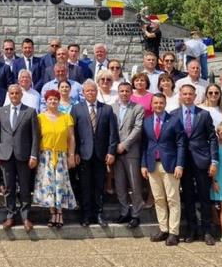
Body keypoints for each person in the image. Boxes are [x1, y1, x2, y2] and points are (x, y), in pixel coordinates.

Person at [173, 84, 217, 245]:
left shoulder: (204, 114)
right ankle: (192, 229)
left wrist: (214, 161)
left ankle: (207, 231)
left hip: (202, 160)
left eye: (190, 94)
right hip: (183, 162)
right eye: (184, 94)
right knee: (188, 196)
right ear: (180, 95)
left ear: (195, 96)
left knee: (204, 196)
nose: (187, 96)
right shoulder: (174, 115)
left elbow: (212, 138)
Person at [71, 80, 119, 227]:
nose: (90, 93)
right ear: (83, 93)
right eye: (87, 91)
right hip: (83, 154)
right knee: (85, 186)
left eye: (93, 90)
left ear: (97, 92)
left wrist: (111, 152)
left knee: (99, 185)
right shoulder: (76, 109)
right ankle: (86, 215)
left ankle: (98, 214)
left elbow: (113, 133)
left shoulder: (107, 109)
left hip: (101, 154)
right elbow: (73, 134)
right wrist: (75, 152)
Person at [0, 84, 40, 231]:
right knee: (8, 188)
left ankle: (25, 217)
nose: (14, 96)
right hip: (6, 155)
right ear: (8, 95)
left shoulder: (30, 112)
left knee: (25, 188)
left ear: (21, 95)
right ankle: (10, 216)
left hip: (24, 155)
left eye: (17, 93)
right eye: (12, 93)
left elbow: (35, 136)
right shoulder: (0, 111)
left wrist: (33, 155)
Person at [141, 94, 185, 246]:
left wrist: (179, 164)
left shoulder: (174, 120)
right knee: (158, 199)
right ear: (151, 105)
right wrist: (143, 164)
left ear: (165, 104)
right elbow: (144, 145)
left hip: (170, 165)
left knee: (173, 199)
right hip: (152, 164)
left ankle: (174, 232)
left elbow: (181, 144)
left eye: (161, 103)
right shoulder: (146, 121)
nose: (158, 105)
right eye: (156, 103)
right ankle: (163, 229)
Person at [33, 89, 77, 228]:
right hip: (45, 156)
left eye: (55, 99)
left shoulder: (66, 117)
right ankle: (52, 213)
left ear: (59, 101)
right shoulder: (40, 118)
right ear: (46, 101)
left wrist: (71, 155)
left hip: (61, 155)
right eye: (50, 99)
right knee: (48, 185)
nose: (53, 101)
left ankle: (60, 213)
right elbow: (36, 138)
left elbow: (71, 138)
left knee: (60, 184)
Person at [113, 82, 145, 228]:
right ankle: (125, 211)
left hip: (131, 151)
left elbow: (137, 129)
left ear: (131, 93)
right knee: (119, 184)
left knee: (135, 184)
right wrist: (114, 146)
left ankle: (136, 214)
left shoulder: (138, 108)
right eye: (122, 91)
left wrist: (124, 144)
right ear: (118, 92)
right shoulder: (112, 108)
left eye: (127, 91)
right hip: (116, 152)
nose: (124, 93)